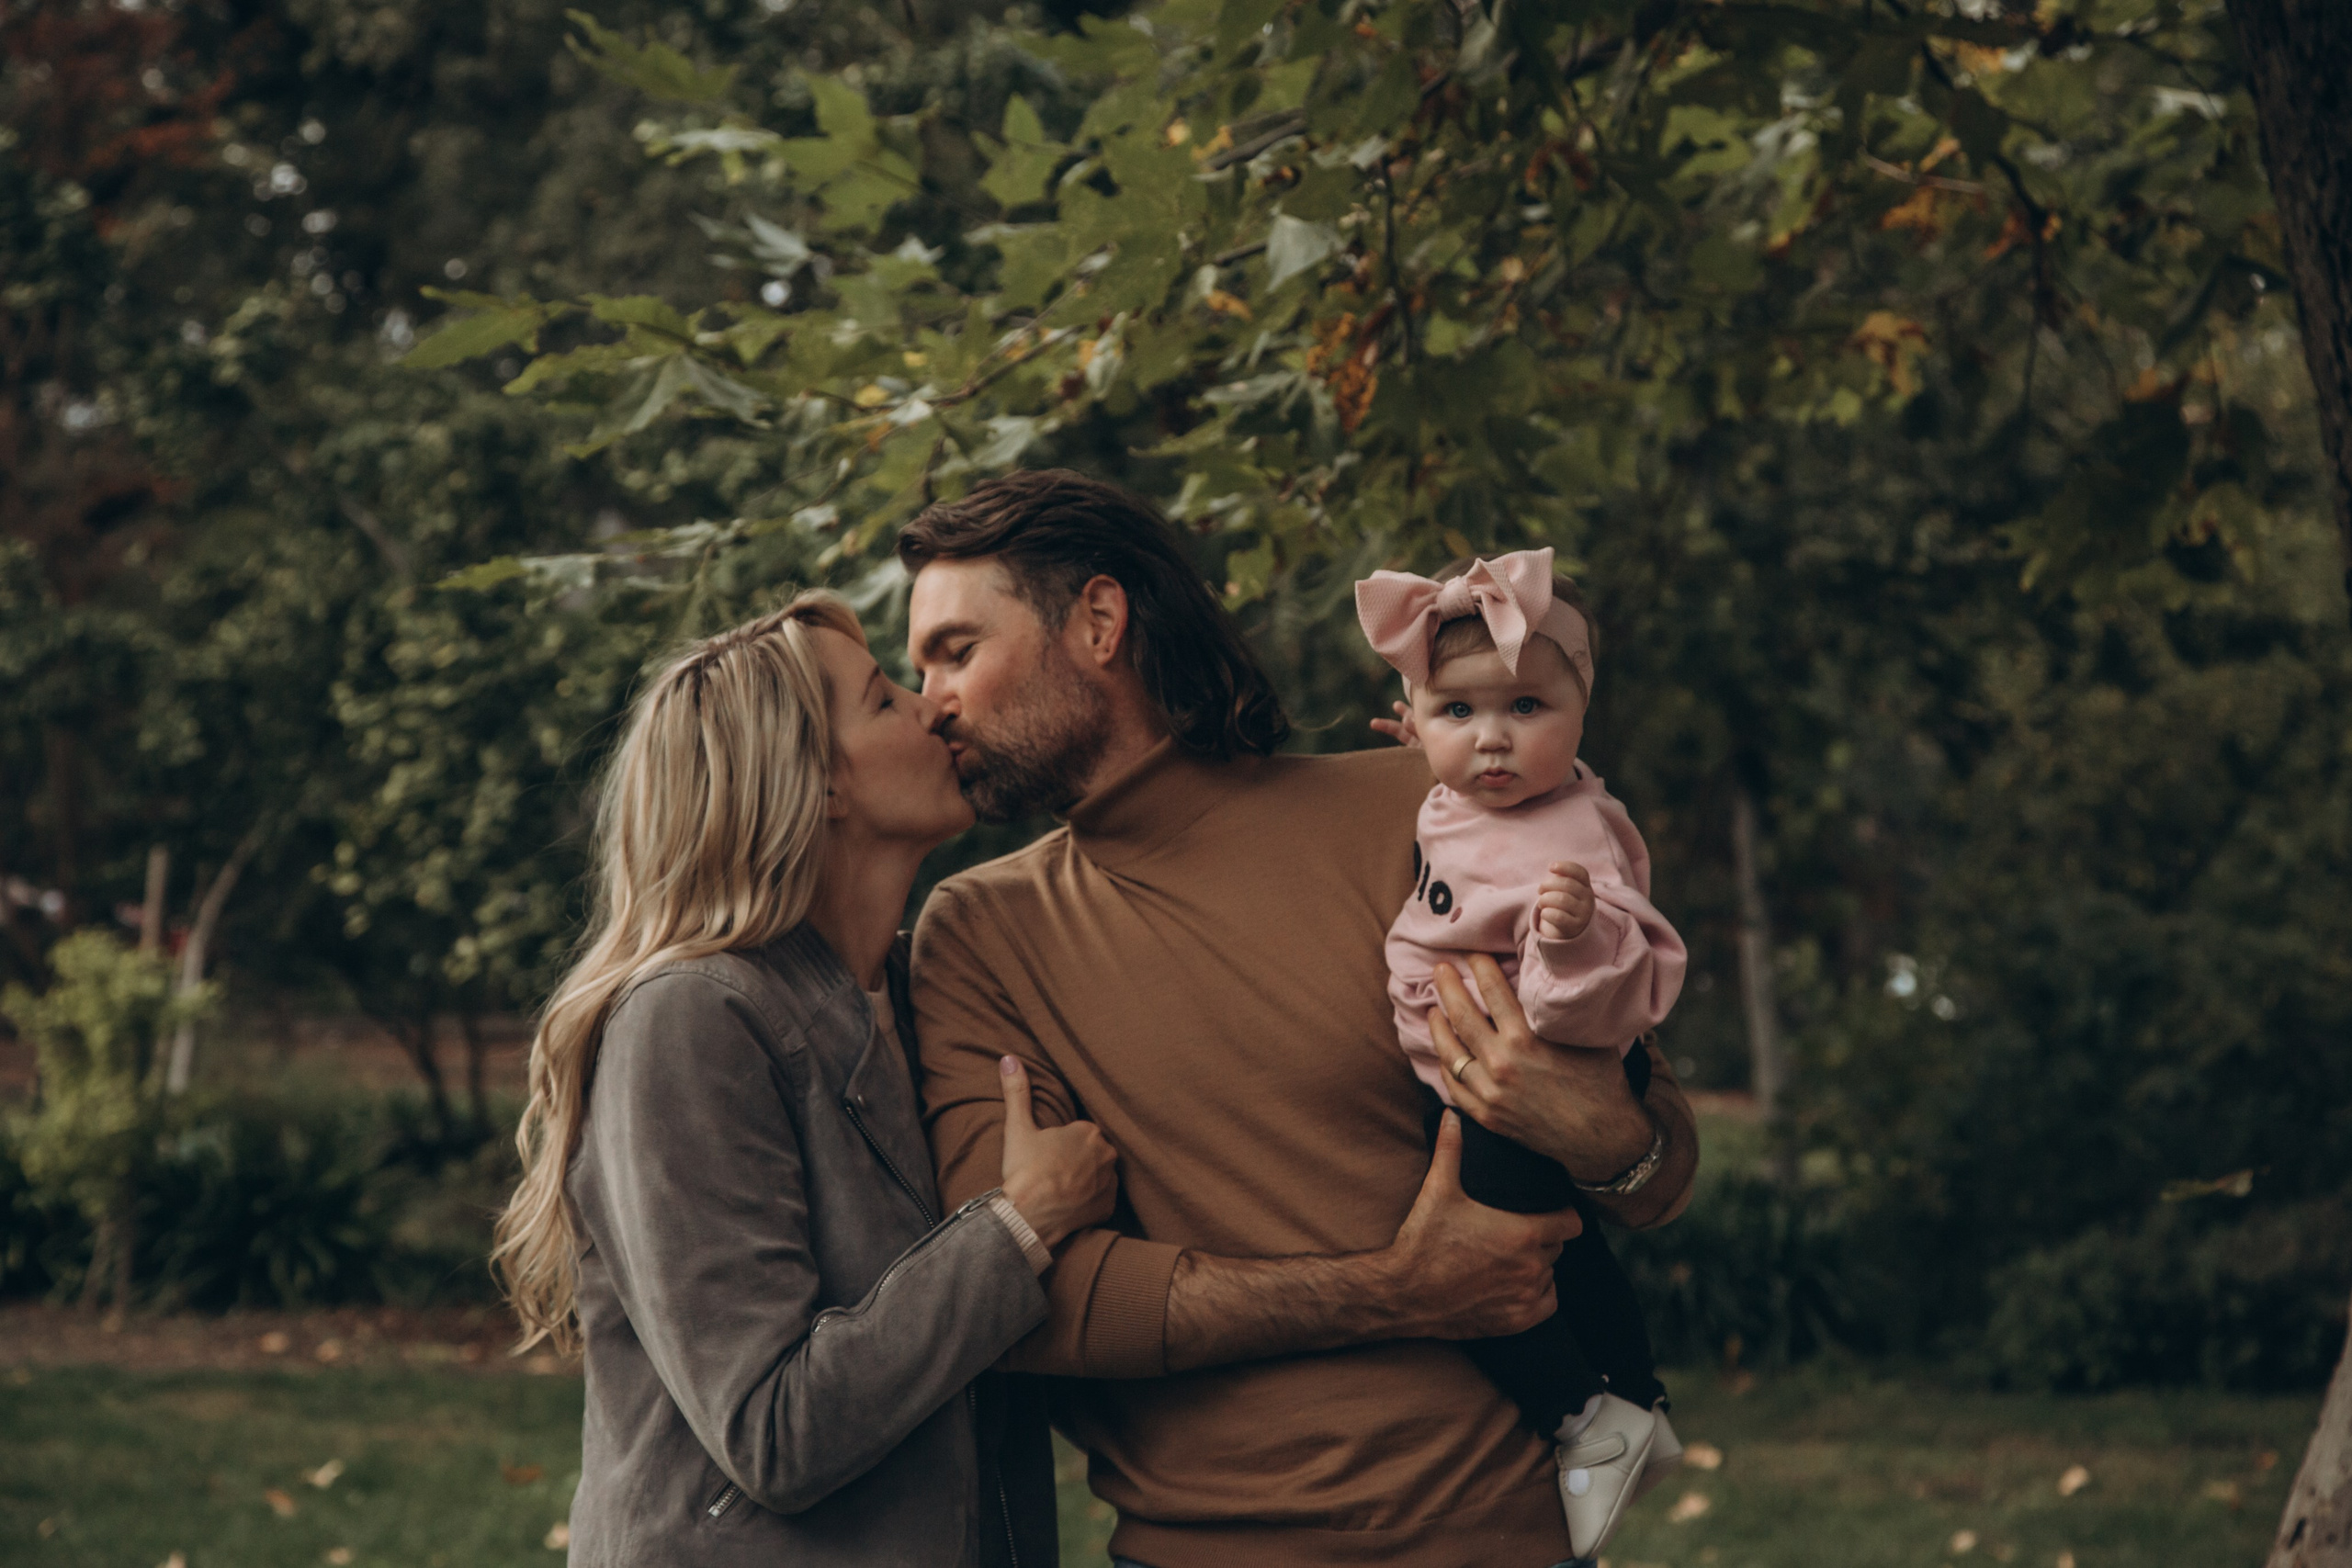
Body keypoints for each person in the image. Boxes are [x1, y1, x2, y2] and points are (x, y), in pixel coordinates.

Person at [901, 469, 1700, 1568]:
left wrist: (1596, 1129)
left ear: (1097, 622)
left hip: (1502, 1541)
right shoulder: (977, 934)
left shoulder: (1422, 810)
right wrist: (1394, 1291)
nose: (930, 700)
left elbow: (1661, 1169)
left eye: (954, 651)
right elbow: (1028, 1306)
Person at [491, 594, 1120, 1567]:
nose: (933, 709)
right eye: (883, 701)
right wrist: (1020, 1226)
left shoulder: (927, 993)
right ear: (817, 783)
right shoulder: (691, 1020)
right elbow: (772, 1429)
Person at [1358, 548, 1690, 1559]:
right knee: (1565, 1247)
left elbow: (1616, 977)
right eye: (1459, 713)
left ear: (1582, 712)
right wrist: (1428, 740)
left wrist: (1567, 936)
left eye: (1525, 710)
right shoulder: (1469, 796)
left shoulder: (1570, 836)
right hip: (1472, 1074)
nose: (1492, 741)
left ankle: (1582, 1421)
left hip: (1545, 1060)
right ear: (1412, 721)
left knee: (1473, 1265)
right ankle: (1634, 1399)